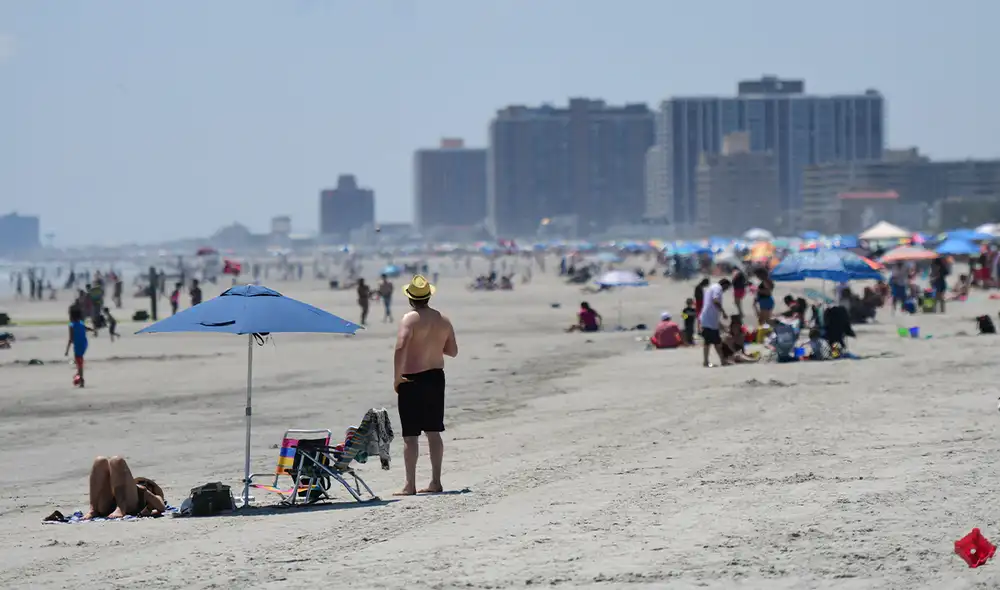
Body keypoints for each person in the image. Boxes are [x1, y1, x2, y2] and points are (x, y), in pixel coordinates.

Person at [393, 275, 457, 496]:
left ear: (411, 299)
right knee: (433, 431)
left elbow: (400, 346)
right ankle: (435, 481)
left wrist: (396, 377)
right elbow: (452, 351)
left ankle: (410, 484)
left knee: (410, 435)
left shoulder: (409, 319)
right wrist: (433, 345)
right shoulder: (443, 320)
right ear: (429, 295)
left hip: (411, 379)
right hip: (435, 377)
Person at [83, 456, 166, 519]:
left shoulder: (149, 494)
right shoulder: (123, 486)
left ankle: (121, 508)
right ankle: (93, 509)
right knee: (100, 461)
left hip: (128, 506)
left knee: (117, 461)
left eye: (145, 483)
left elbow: (161, 507)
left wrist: (145, 492)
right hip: (108, 505)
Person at [699, 278, 731, 367]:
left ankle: (722, 360)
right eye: (727, 288)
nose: (725, 290)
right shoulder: (718, 288)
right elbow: (715, 300)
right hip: (709, 320)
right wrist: (723, 312)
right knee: (711, 342)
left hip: (709, 319)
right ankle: (707, 362)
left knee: (715, 342)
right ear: (724, 285)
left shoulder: (711, 287)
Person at [64, 305, 95, 387]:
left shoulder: (71, 325)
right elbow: (85, 328)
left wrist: (67, 350)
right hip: (84, 344)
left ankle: (81, 379)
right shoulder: (81, 323)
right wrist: (92, 330)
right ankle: (78, 375)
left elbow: (70, 339)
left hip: (77, 346)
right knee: (79, 360)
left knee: (79, 362)